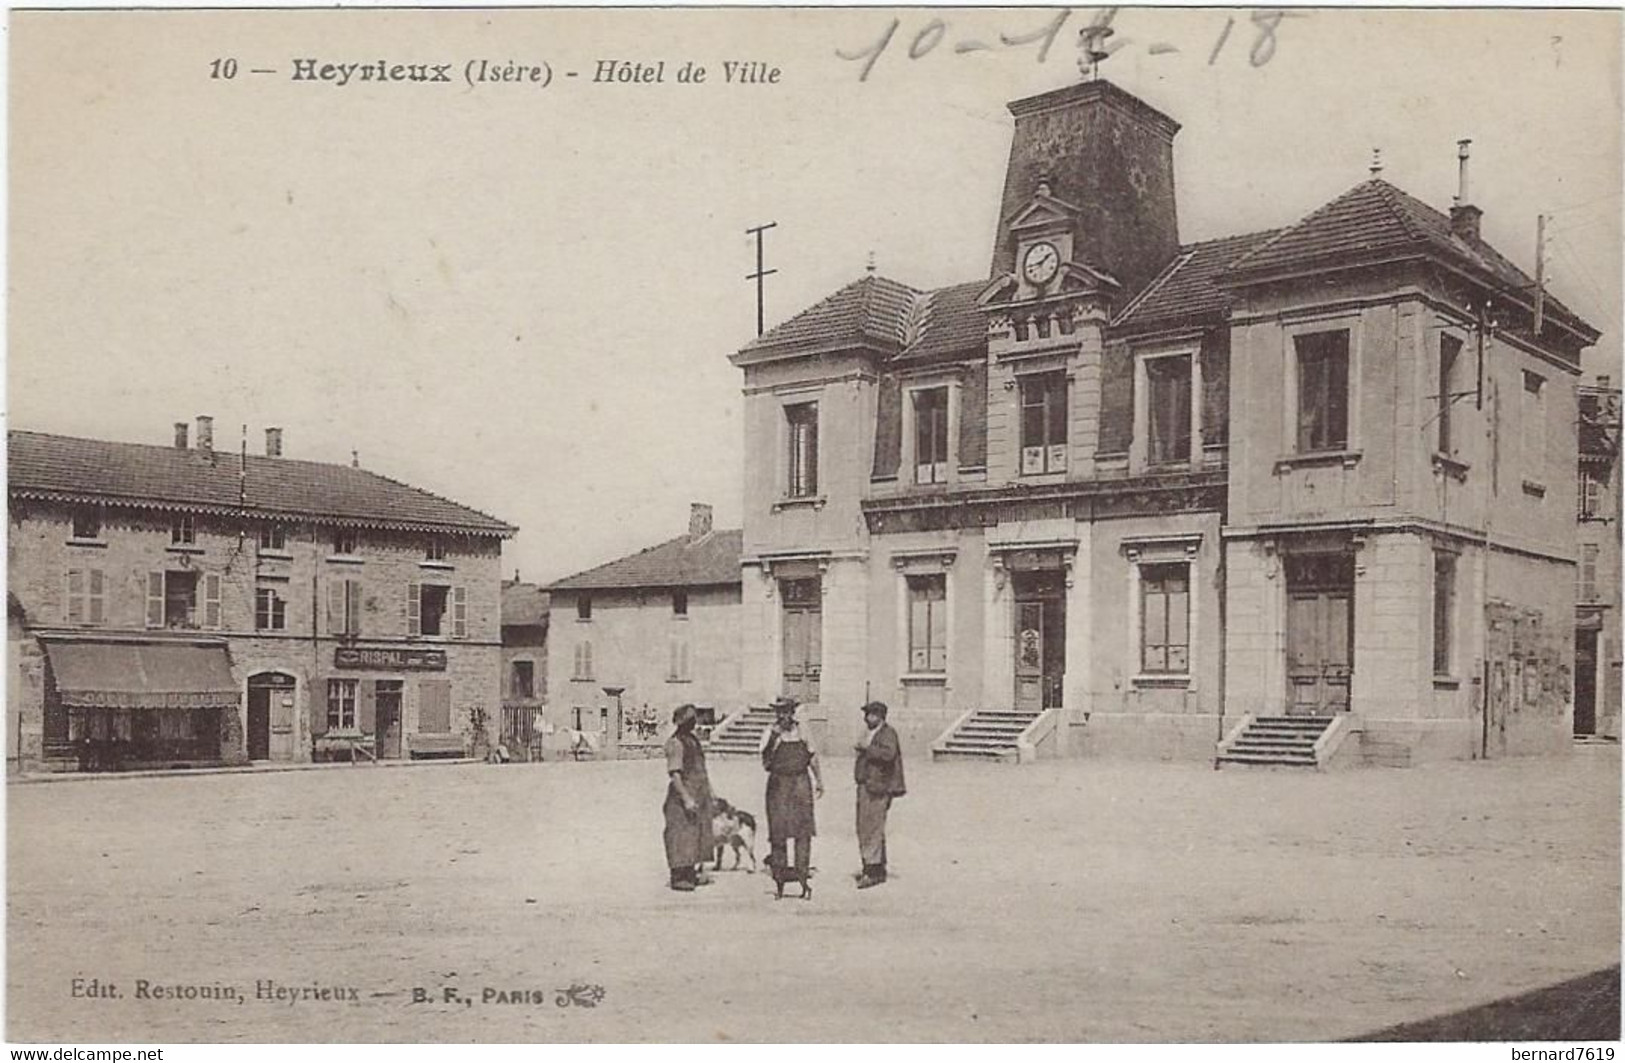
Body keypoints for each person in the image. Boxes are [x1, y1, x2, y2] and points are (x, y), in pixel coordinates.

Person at [760, 696, 822, 899]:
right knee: (778, 832)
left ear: (792, 712)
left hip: (800, 784)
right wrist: (773, 740)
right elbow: (765, 761)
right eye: (779, 712)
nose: (782, 715)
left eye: (786, 711)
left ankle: (802, 875)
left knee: (802, 832)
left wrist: (819, 780)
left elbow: (812, 756)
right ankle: (779, 877)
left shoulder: (803, 730)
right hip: (778, 785)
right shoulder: (770, 732)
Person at [853, 701, 906, 889]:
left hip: (878, 787)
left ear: (880, 716)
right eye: (866, 715)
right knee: (866, 826)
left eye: (871, 715)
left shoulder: (887, 733)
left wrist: (867, 748)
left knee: (871, 828)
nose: (867, 718)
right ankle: (877, 867)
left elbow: (889, 754)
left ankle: (871, 871)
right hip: (866, 784)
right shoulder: (870, 732)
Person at [662, 704, 715, 892]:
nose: (694, 723)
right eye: (690, 720)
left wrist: (710, 792)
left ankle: (690, 872)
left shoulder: (693, 740)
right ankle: (678, 876)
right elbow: (675, 774)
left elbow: (701, 769)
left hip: (699, 793)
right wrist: (686, 798)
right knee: (679, 834)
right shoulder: (675, 743)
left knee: (695, 833)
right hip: (681, 797)